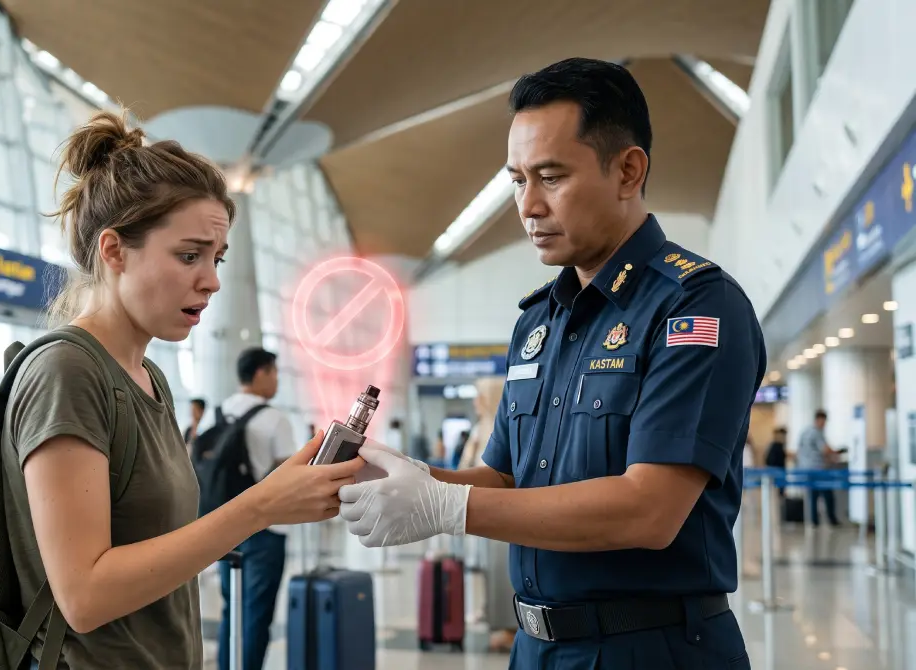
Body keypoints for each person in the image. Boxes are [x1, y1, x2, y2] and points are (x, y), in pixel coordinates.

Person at [337, 58, 761, 670]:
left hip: (651, 649)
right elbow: (507, 480)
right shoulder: (540, 322)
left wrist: (447, 508)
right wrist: (408, 478)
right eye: (517, 181)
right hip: (536, 647)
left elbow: (650, 509)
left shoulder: (693, 306)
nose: (528, 206)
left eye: (552, 177)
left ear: (628, 170)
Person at [0, 111, 363, 669]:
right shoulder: (67, 372)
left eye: (216, 259)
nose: (211, 280)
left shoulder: (149, 379)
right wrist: (261, 505)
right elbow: (83, 597)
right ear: (114, 251)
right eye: (189, 255)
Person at [216, 347, 297, 670]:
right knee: (256, 612)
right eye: (274, 373)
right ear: (261, 373)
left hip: (222, 526)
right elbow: (290, 475)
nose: (277, 380)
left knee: (231, 608)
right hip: (266, 529)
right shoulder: (275, 419)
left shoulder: (217, 413)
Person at [797, 410, 840, 526]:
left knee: (813, 495)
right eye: (823, 421)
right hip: (818, 468)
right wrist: (836, 453)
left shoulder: (805, 431)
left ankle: (814, 520)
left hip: (806, 468)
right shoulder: (817, 432)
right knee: (827, 493)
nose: (824, 424)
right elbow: (825, 449)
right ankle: (831, 519)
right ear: (819, 419)